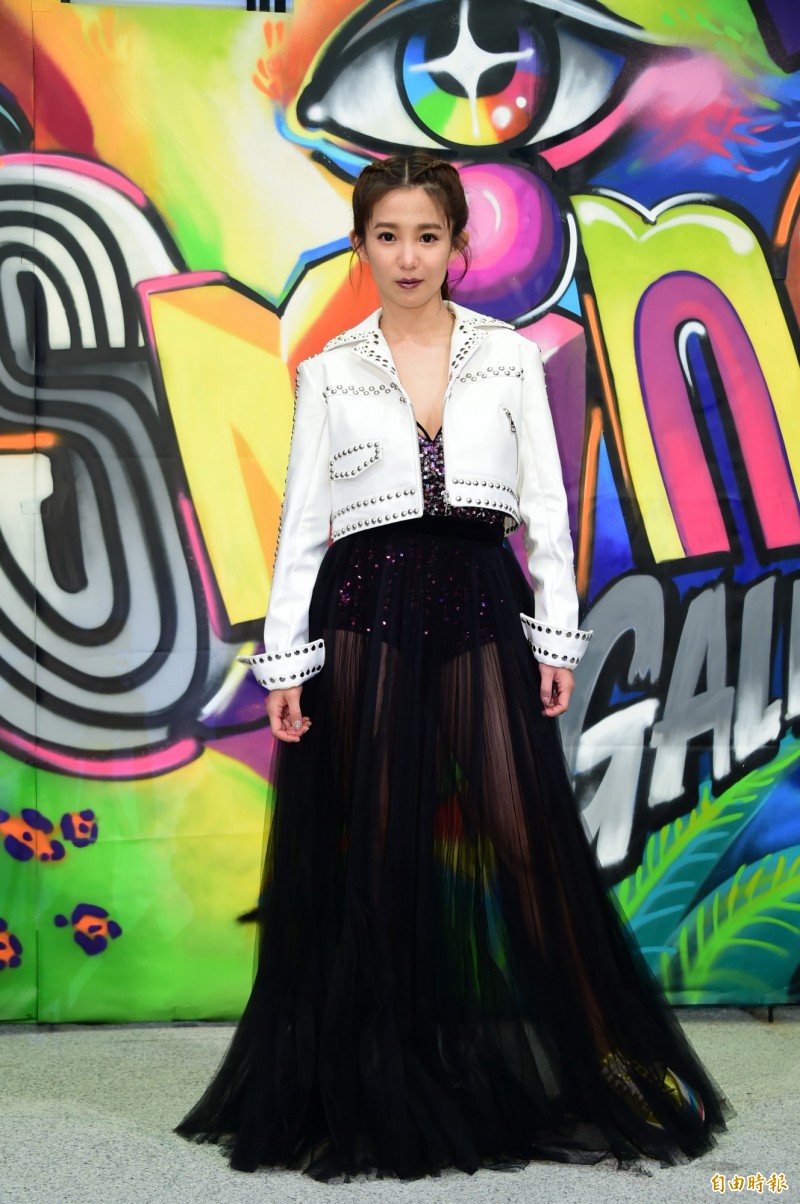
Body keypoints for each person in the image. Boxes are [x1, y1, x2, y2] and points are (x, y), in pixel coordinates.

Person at [176, 154, 728, 1180]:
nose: (407, 256)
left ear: (457, 245)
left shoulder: (507, 355)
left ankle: (608, 1062)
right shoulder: (330, 367)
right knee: (376, 843)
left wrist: (553, 636)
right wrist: (287, 662)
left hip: (479, 597)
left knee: (525, 832)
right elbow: (304, 526)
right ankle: (373, 1081)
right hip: (364, 608)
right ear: (361, 245)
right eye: (386, 236)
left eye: (426, 235)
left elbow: (547, 506)